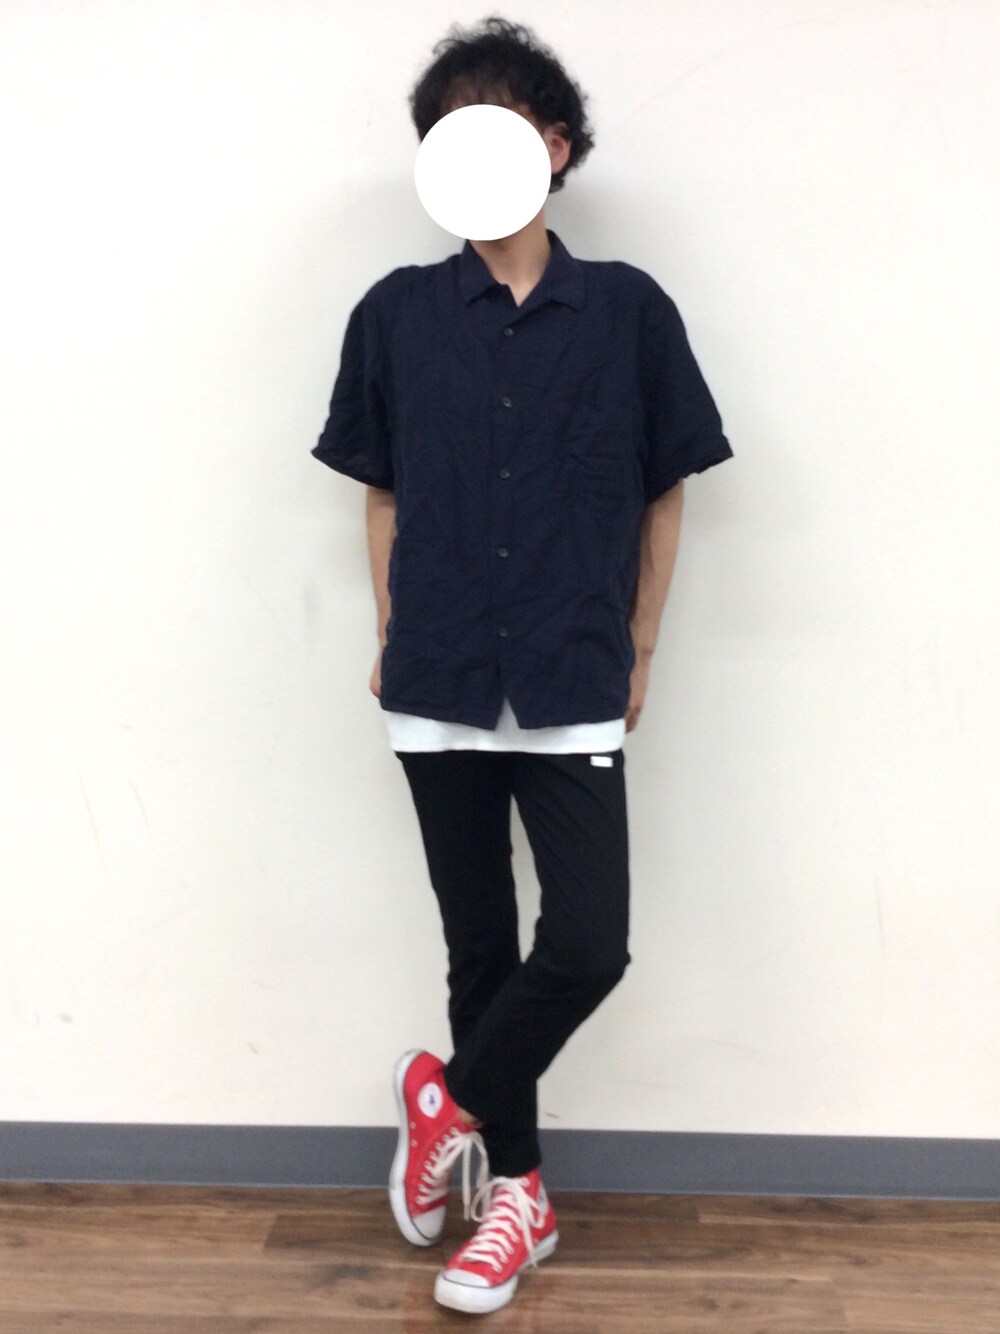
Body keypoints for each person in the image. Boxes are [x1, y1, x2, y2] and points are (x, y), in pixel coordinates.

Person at [312, 15, 733, 1317]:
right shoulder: (394, 314)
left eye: (491, 126)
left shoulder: (628, 312)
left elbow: (665, 489)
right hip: (438, 672)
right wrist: (392, 628)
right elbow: (382, 493)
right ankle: (519, 1197)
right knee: (481, 951)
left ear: (553, 145)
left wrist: (641, 645)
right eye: (445, 133)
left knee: (589, 942)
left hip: (569, 668)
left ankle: (444, 1100)